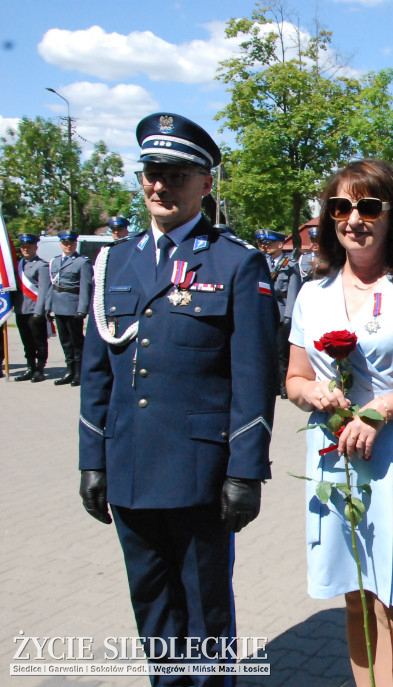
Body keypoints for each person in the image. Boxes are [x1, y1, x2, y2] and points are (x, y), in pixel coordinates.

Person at [78, 112, 278, 684]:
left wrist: (246, 471)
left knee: (205, 608)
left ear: (205, 184)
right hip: (131, 466)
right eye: (150, 172)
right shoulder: (114, 261)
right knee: (153, 605)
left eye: (174, 173)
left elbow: (253, 378)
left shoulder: (236, 262)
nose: (159, 185)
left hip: (199, 471)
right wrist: (92, 461)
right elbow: (98, 374)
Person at [285, 159, 393, 687]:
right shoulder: (311, 294)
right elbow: (293, 379)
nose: (353, 219)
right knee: (356, 594)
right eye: (341, 207)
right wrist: (312, 392)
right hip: (333, 461)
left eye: (368, 207)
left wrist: (380, 408)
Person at [45, 229, 92, 386]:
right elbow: (52, 286)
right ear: (61, 244)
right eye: (65, 243)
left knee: (76, 341)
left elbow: (86, 287)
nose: (68, 246)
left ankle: (79, 372)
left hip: (73, 306)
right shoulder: (55, 261)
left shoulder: (82, 262)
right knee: (65, 341)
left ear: (75, 244)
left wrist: (82, 308)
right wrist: (48, 306)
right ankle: (69, 370)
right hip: (58, 306)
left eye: (71, 243)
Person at [257, 229, 301, 397]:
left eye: (268, 243)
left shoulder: (289, 265)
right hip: (264, 311)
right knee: (265, 350)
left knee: (282, 353)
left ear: (280, 244)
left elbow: (293, 290)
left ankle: (283, 386)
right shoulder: (258, 262)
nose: (264, 246)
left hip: (282, 311)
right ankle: (271, 385)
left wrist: (289, 315)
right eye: (261, 243)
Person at [12, 233, 50, 383]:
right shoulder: (18, 265)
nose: (26, 249)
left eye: (29, 247)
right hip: (21, 309)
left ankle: (40, 369)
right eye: (23, 247)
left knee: (39, 341)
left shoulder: (41, 265)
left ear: (36, 247)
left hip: (34, 309)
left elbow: (43, 290)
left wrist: (39, 311)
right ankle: (30, 367)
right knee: (26, 341)